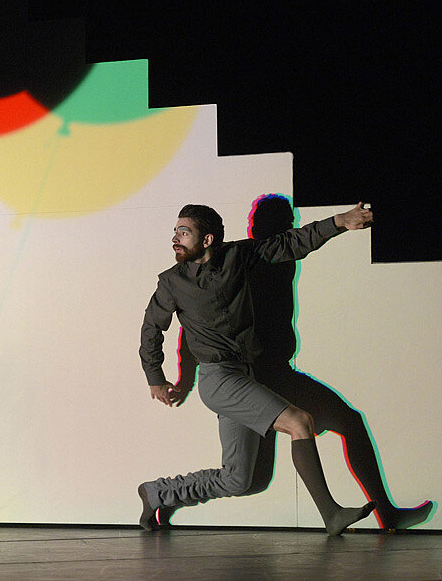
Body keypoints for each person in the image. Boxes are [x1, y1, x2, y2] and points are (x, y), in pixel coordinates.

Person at [167, 195, 434, 530]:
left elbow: (302, 239)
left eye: (287, 223)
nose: (285, 228)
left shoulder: (279, 256)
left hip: (277, 374)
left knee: (339, 427)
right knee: (248, 479)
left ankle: (384, 514)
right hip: (250, 379)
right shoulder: (239, 262)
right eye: (273, 223)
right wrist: (185, 379)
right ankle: (161, 494)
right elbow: (193, 324)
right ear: (255, 227)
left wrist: (340, 222)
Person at [137, 202, 376, 535]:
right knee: (299, 421)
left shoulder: (239, 257)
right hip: (218, 379)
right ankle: (331, 514)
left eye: (184, 232)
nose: (175, 238)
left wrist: (339, 222)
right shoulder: (172, 282)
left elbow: (292, 242)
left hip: (248, 375)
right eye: (175, 232)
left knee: (241, 480)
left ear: (207, 239)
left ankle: (157, 493)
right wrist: (156, 377)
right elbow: (152, 329)